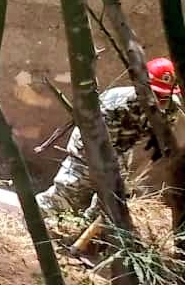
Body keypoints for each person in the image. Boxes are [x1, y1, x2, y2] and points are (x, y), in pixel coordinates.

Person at [35, 57, 182, 216]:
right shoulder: (115, 105)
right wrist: (117, 176)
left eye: (165, 95)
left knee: (112, 200)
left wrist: (160, 136)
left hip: (123, 146)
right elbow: (103, 146)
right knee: (69, 191)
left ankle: (91, 228)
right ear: (142, 86)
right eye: (157, 94)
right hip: (89, 144)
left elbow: (164, 129)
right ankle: (33, 215)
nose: (161, 101)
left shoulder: (171, 107)